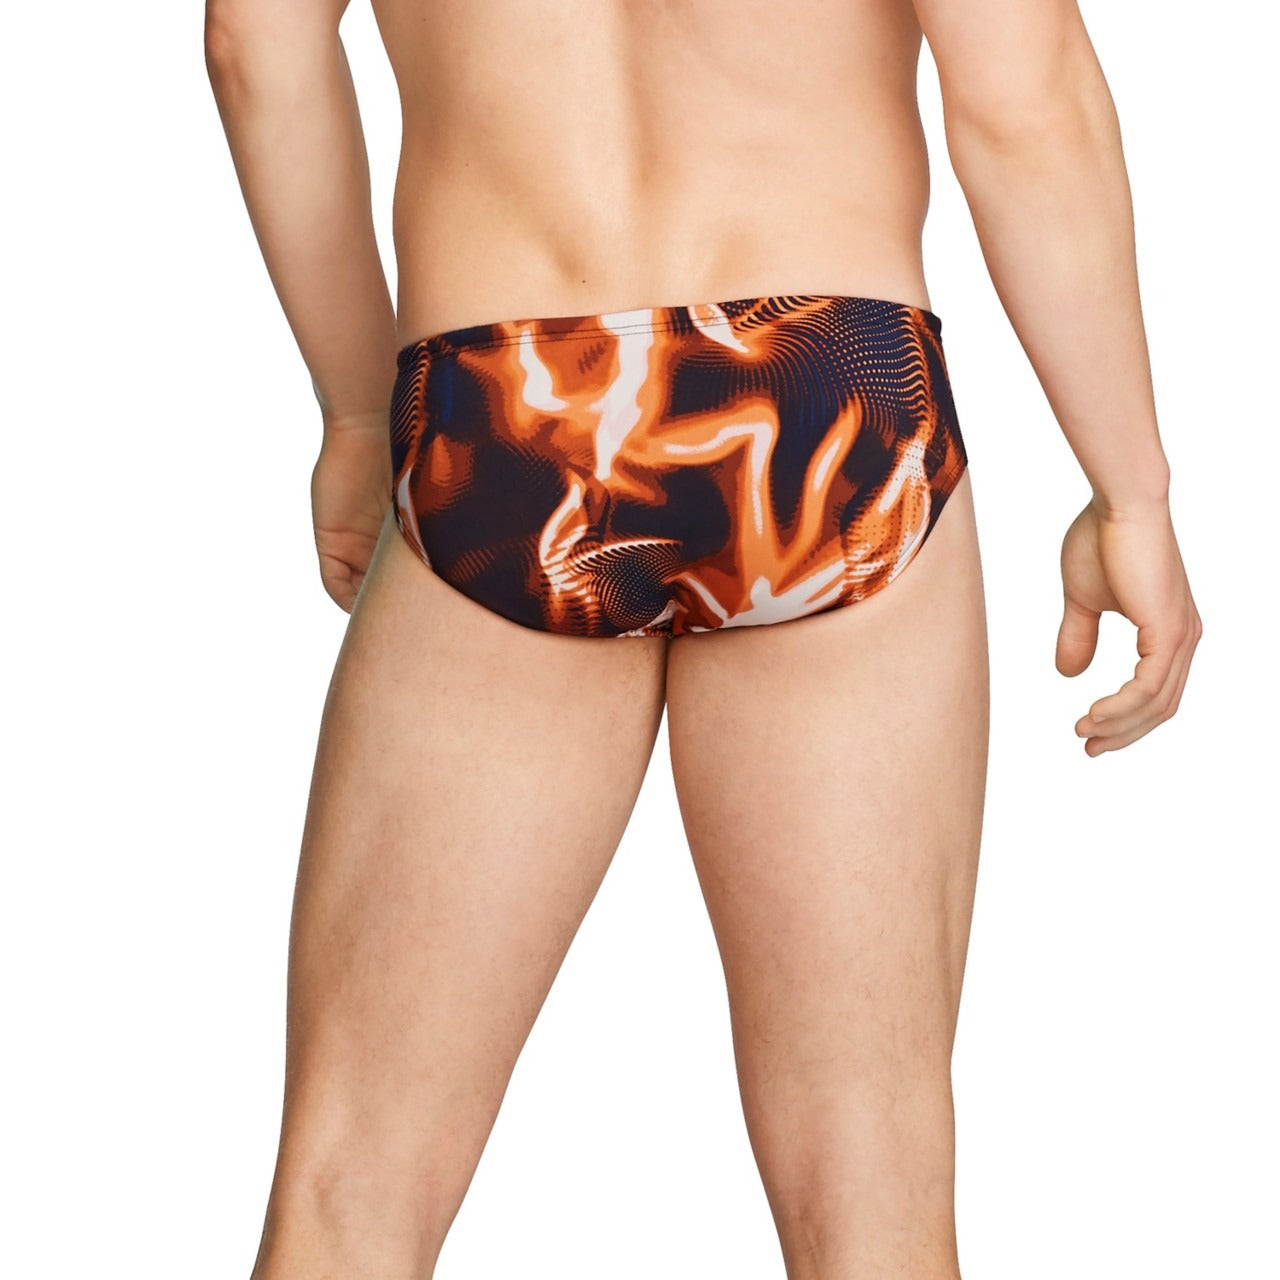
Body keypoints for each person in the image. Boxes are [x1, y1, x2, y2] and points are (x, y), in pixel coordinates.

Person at [205, 0, 1201, 1275]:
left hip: (507, 411)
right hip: (822, 408)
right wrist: (1130, 493)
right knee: (868, 1171)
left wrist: (355, 415)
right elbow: (1022, 97)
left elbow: (254, 43)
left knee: (354, 1180)